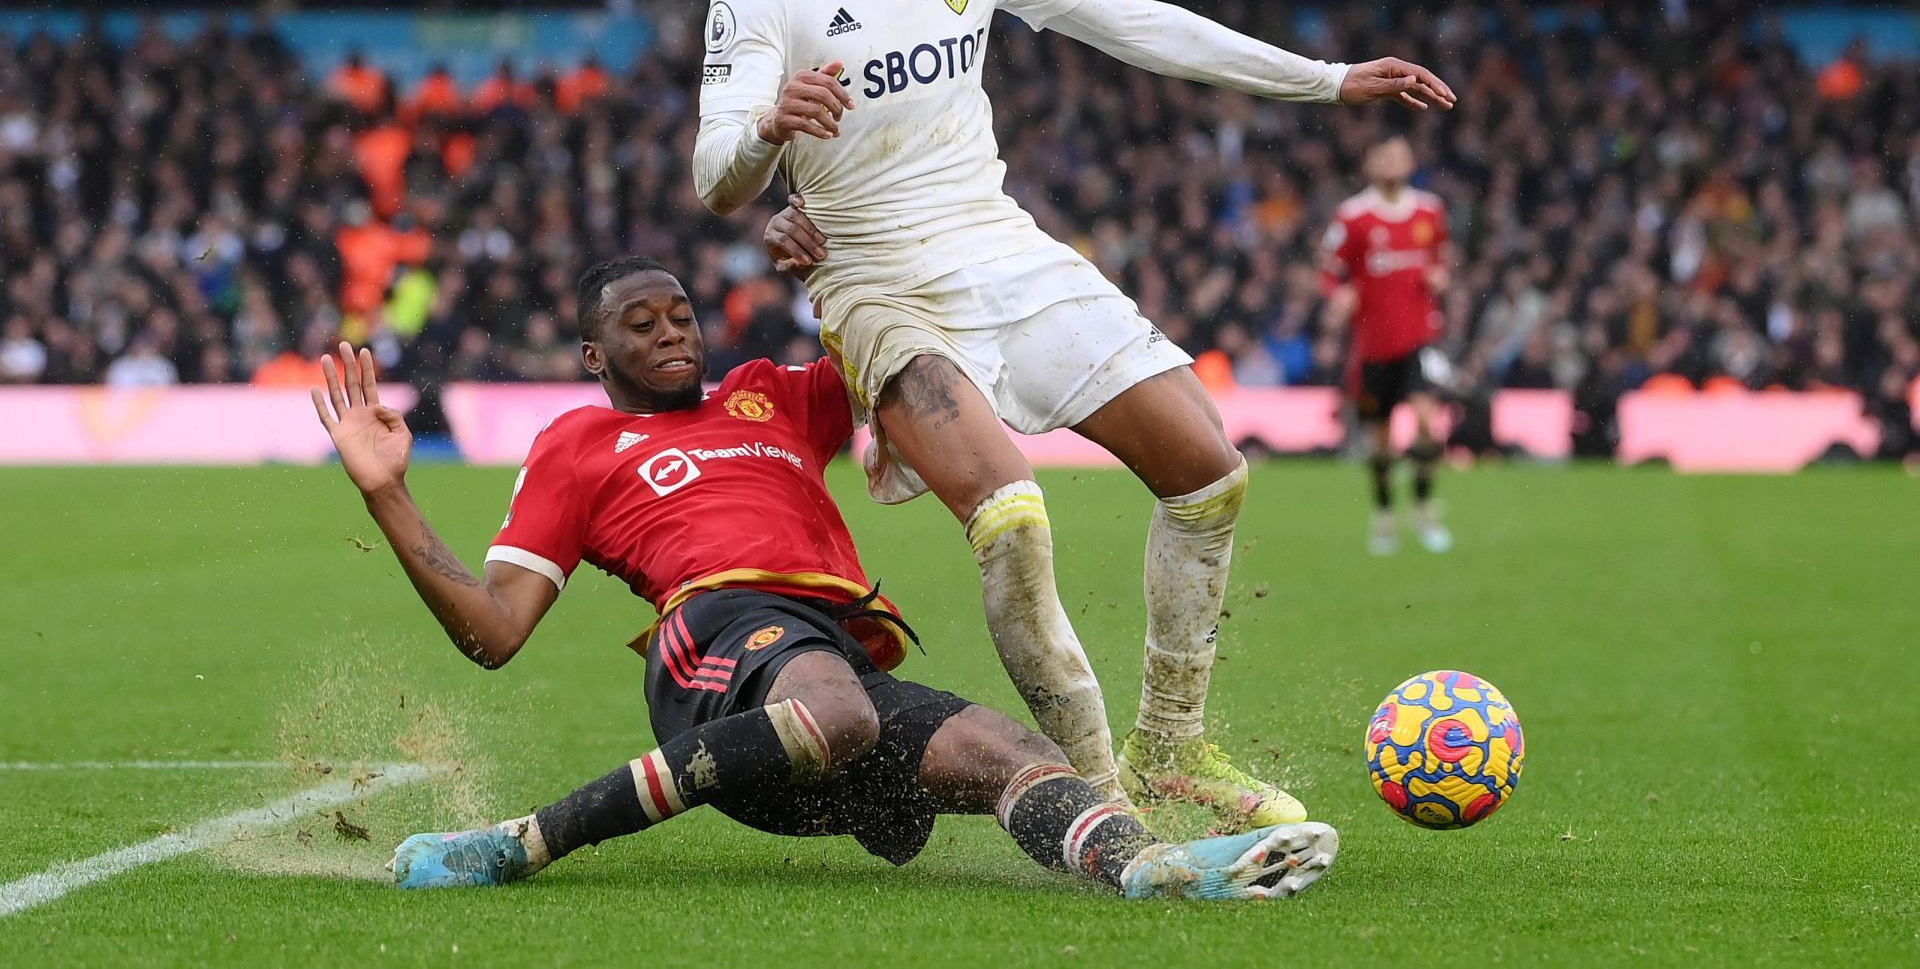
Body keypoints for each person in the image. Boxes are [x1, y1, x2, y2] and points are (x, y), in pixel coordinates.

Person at [698, 0, 1456, 824]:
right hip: (874, 276)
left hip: (1002, 243)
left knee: (1209, 471)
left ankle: (1171, 750)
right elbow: (714, 174)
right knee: (1012, 516)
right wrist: (767, 130)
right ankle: (1099, 803)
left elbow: (1131, 22)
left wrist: (1324, 81)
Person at [307, 256, 1339, 900]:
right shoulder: (578, 442)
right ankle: (523, 841)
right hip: (713, 646)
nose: (673, 332)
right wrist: (386, 493)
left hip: (829, 651)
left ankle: (1150, 868)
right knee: (836, 707)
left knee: (1015, 752)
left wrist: (831, 263)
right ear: (592, 351)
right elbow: (494, 626)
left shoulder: (772, 396)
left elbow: (886, 347)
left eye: (680, 314)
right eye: (641, 324)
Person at [1319, 136, 1454, 555]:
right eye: (1386, 155)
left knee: (1428, 420)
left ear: (1411, 161)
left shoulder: (1429, 210)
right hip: (1375, 345)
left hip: (1420, 337)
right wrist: (1338, 294)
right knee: (1381, 441)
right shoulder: (1354, 216)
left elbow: (1441, 255)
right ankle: (1383, 516)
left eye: (1400, 154)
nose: (1394, 162)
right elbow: (1328, 268)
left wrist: (1440, 275)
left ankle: (1425, 506)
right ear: (1371, 163)